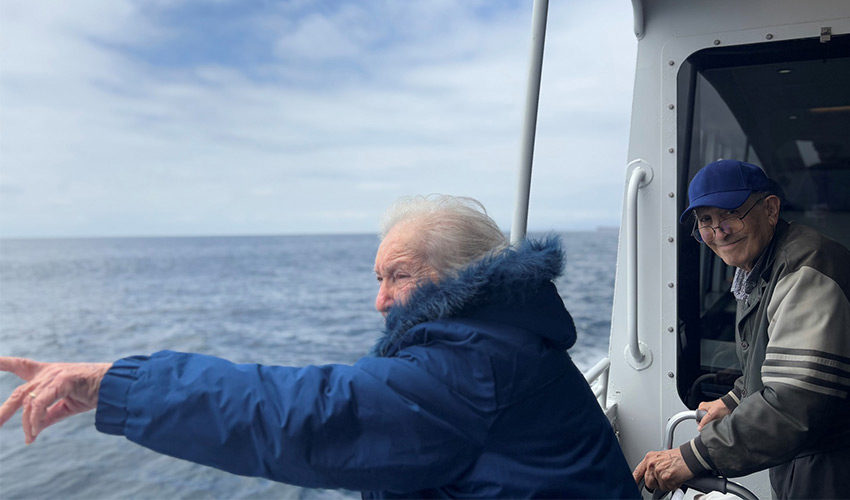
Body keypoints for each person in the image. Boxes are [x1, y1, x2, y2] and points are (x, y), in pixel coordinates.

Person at [0, 195, 639, 499]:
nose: (381, 300)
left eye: (400, 275)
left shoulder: (473, 363)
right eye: (378, 279)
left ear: (461, 276)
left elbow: (314, 414)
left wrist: (114, 384)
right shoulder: (509, 335)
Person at [633, 160, 850, 499]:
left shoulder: (804, 268)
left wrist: (692, 457)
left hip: (832, 467)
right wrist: (735, 399)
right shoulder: (761, 268)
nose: (719, 232)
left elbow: (793, 402)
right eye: (706, 221)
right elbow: (774, 362)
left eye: (730, 213)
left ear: (771, 209)